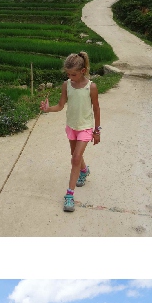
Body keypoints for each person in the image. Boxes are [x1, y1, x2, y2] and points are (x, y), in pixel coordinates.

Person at [40, 50, 101, 212]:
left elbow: (96, 109)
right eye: (68, 74)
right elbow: (60, 106)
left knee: (75, 158)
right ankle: (84, 170)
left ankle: (69, 195)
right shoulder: (66, 85)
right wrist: (48, 109)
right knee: (75, 155)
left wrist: (97, 130)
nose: (70, 77)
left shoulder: (91, 87)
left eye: (73, 74)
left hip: (85, 127)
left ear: (83, 71)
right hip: (71, 126)